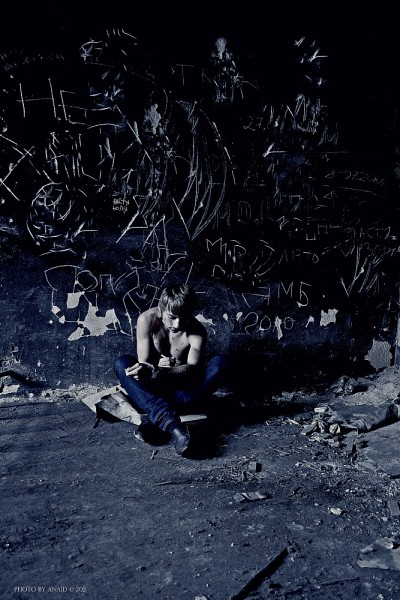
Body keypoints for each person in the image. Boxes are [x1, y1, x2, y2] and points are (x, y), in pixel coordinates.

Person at [114, 283, 227, 457]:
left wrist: (167, 369)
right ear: (161, 309)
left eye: (184, 317)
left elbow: (193, 370)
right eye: (172, 317)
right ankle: (173, 425)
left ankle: (155, 418)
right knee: (122, 363)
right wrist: (153, 369)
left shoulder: (197, 331)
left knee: (219, 363)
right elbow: (144, 367)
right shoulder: (146, 320)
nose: (178, 324)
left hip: (183, 392)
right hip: (154, 388)